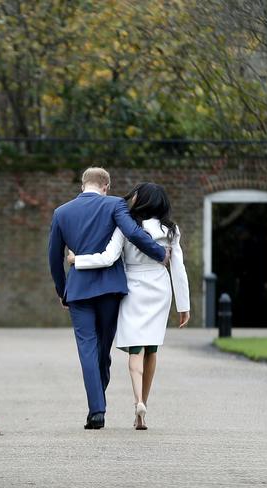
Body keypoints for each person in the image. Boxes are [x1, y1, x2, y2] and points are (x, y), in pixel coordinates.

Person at [48, 168, 170, 430]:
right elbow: (134, 234)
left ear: (83, 185)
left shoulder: (61, 212)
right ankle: (98, 402)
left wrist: (62, 291)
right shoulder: (114, 204)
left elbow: (54, 257)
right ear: (106, 186)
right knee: (103, 349)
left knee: (87, 349)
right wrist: (159, 253)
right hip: (110, 290)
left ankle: (97, 409)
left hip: (79, 290)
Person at [68, 182, 190, 430]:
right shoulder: (171, 230)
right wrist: (183, 305)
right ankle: (143, 402)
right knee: (152, 348)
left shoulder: (127, 226)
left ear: (140, 200)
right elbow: (179, 270)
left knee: (136, 349)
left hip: (133, 286)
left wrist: (76, 259)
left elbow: (108, 257)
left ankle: (137, 401)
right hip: (160, 287)